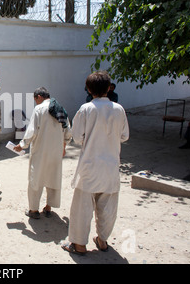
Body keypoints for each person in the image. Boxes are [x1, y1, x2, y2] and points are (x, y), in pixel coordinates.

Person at [62, 71, 129, 255]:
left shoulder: (86, 109)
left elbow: (76, 137)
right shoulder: (119, 109)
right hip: (111, 167)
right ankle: (102, 240)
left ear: (89, 89)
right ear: (109, 88)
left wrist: (90, 139)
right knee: (108, 208)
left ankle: (79, 244)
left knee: (82, 208)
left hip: (89, 167)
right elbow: (124, 136)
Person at [14, 87, 71, 219]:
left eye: (35, 99)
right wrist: (64, 145)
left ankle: (33, 210)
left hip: (40, 150)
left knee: (36, 179)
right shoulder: (60, 108)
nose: (35, 102)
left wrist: (22, 145)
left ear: (39, 96)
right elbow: (67, 130)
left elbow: (32, 131)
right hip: (56, 151)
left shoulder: (39, 109)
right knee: (53, 177)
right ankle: (48, 207)